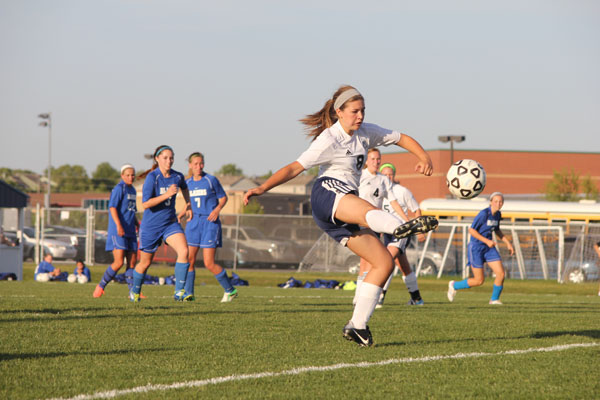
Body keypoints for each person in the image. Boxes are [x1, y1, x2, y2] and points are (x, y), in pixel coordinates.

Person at [243, 85, 437, 347]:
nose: (360, 116)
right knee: (367, 209)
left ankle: (357, 325)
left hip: (337, 214)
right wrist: (262, 188)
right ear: (339, 112)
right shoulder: (329, 139)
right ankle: (399, 227)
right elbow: (294, 168)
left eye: (363, 111)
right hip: (327, 194)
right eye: (355, 111)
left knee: (383, 263)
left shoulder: (366, 132)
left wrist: (423, 156)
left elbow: (401, 138)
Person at [130, 145, 192, 302]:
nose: (169, 161)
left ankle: (179, 292)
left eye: (171, 158)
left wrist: (188, 205)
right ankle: (135, 291)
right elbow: (145, 204)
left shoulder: (177, 176)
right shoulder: (153, 177)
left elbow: (185, 188)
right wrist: (167, 195)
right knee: (145, 263)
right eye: (165, 158)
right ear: (157, 159)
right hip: (151, 227)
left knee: (184, 251)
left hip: (170, 224)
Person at [352, 149, 408, 307]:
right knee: (367, 262)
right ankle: (360, 298)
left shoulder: (383, 179)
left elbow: (393, 201)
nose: (376, 161)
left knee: (370, 261)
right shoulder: (360, 176)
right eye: (373, 159)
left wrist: (405, 220)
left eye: (378, 159)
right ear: (367, 161)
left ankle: (360, 297)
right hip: (360, 221)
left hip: (374, 223)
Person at [182, 152, 237, 302]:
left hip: (209, 224)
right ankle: (189, 294)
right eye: (195, 164)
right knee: (189, 260)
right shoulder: (187, 184)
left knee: (209, 263)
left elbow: (223, 197)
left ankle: (230, 290)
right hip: (193, 223)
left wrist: (217, 209)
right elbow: (189, 204)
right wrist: (181, 214)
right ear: (190, 165)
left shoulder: (211, 180)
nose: (199, 166)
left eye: (201, 163)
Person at [447, 192, 514, 305]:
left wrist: (508, 243)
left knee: (501, 273)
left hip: (489, 248)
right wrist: (487, 241)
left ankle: (494, 299)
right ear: (491, 202)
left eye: (500, 201)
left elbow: (497, 229)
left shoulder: (498, 215)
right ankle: (454, 285)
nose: (498, 203)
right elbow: (471, 230)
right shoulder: (483, 214)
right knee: (479, 281)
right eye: (496, 201)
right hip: (476, 248)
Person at [378, 162, 425, 307]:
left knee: (386, 261)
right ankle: (417, 299)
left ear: (394, 175)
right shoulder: (378, 191)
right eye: (384, 174)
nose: (388, 177)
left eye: (390, 174)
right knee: (403, 265)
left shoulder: (402, 191)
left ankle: (379, 297)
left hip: (401, 232)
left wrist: (419, 230)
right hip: (386, 233)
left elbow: (416, 210)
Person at [94, 164, 140, 298]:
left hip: (131, 230)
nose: (131, 177)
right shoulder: (119, 189)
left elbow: (131, 210)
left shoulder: (133, 190)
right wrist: (119, 225)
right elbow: (112, 208)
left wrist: (137, 223)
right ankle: (101, 286)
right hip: (118, 231)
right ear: (122, 176)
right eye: (128, 175)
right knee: (119, 262)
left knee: (132, 263)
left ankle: (133, 293)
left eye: (132, 175)